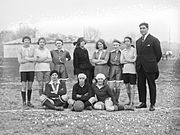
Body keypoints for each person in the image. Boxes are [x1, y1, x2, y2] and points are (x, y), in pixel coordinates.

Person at [136, 22, 162, 111]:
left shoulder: (154, 40)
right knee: (141, 85)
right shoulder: (138, 41)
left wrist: (152, 63)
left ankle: (152, 103)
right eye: (140, 28)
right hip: (140, 67)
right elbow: (138, 54)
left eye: (143, 28)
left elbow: (158, 54)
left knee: (151, 85)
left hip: (150, 67)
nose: (142, 30)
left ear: (147, 28)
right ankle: (143, 102)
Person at [18, 36, 35, 107]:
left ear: (30, 41)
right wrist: (30, 59)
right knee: (24, 86)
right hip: (23, 70)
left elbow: (34, 59)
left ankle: (29, 101)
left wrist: (26, 58)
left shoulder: (33, 49)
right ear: (23, 41)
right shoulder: (20, 49)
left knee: (30, 86)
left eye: (28, 40)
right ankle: (24, 102)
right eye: (25, 40)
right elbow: (20, 61)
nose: (27, 41)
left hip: (31, 69)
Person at [121, 36, 137, 108]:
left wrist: (127, 60)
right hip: (125, 70)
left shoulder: (134, 50)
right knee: (127, 86)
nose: (126, 42)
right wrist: (129, 60)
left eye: (128, 41)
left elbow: (134, 59)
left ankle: (132, 102)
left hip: (132, 70)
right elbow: (121, 61)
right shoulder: (123, 51)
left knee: (132, 86)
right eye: (125, 41)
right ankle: (129, 100)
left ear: (130, 42)